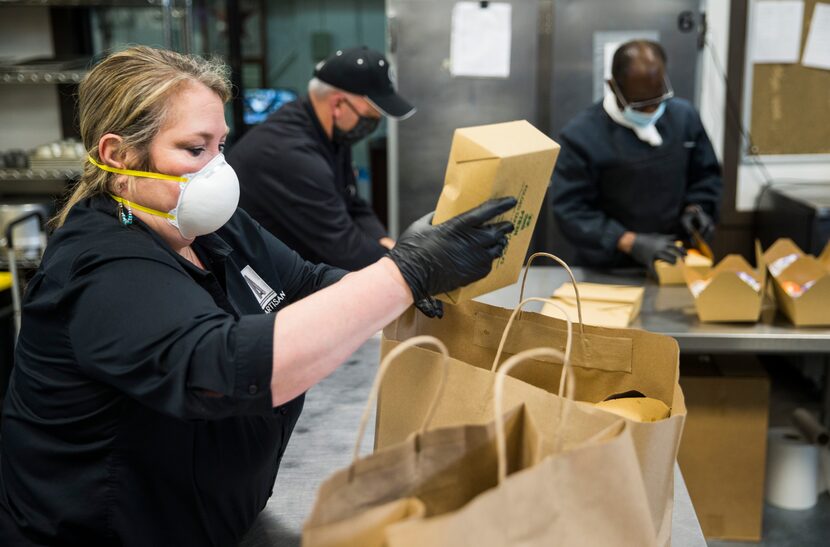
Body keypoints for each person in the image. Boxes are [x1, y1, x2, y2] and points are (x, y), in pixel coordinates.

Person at [0, 46, 515, 546]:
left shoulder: (210, 228)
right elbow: (225, 369)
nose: (216, 170)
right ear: (119, 155)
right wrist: (405, 274)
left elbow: (308, 282)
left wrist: (397, 292)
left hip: (225, 522)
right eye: (194, 149)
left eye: (220, 146)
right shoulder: (102, 266)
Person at [228, 46, 409, 271]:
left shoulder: (330, 134)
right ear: (337, 104)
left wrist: (387, 244)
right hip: (259, 281)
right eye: (370, 116)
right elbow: (346, 249)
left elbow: (353, 203)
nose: (373, 125)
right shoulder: (290, 154)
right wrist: (405, 265)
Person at [550, 40, 722, 269]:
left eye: (657, 100)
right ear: (613, 86)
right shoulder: (581, 136)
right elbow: (571, 210)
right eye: (641, 105)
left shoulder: (685, 118)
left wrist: (697, 209)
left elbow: (706, 175)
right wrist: (630, 242)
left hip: (675, 259)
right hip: (610, 267)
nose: (651, 111)